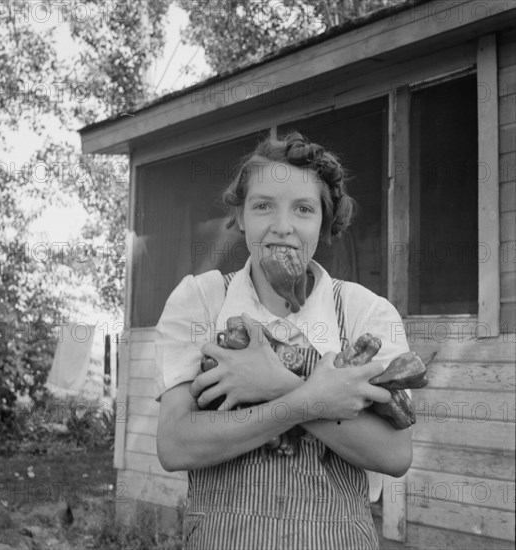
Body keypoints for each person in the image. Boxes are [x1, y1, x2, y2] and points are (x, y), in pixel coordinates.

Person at [155, 132, 412, 550]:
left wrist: (275, 383)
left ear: (325, 223)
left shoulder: (367, 312)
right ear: (240, 217)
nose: (282, 226)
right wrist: (309, 401)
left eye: (304, 209)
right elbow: (175, 443)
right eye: (262, 206)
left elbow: (396, 455)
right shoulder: (201, 300)